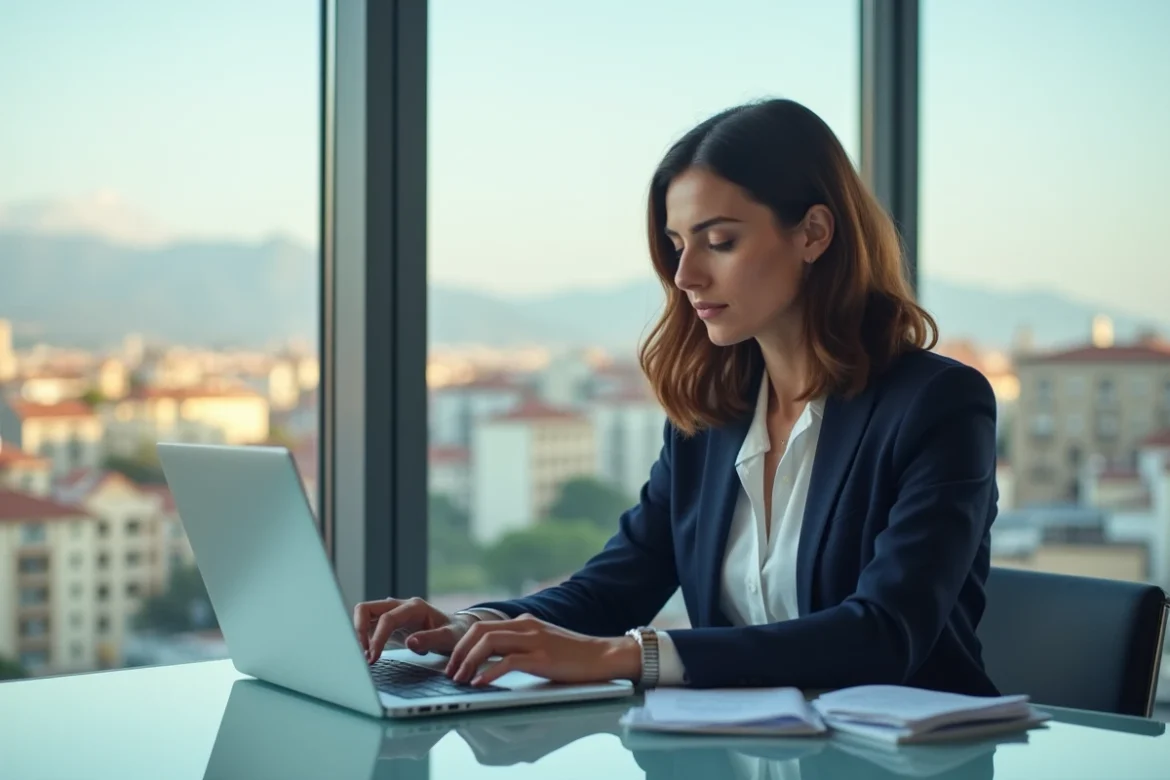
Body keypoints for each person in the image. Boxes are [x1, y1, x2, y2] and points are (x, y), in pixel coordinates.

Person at [354, 98, 1000, 695]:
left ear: (813, 233)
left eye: (720, 241)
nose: (686, 276)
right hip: (754, 754)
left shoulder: (937, 406)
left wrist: (628, 656)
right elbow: (613, 589)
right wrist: (468, 623)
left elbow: (883, 635)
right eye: (676, 244)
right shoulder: (711, 419)